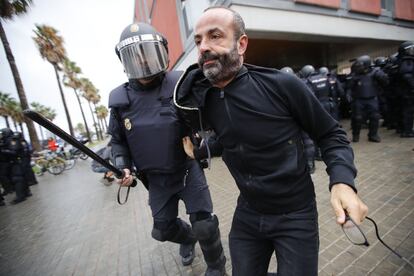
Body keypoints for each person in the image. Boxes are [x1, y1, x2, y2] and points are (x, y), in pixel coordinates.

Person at [174, 7, 368, 276]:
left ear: (241, 44)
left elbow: (330, 134)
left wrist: (343, 182)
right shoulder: (204, 100)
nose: (204, 47)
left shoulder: (282, 85)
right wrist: (198, 151)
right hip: (248, 216)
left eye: (215, 36)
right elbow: (229, 141)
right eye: (198, 41)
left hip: (296, 215)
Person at [107, 23, 226, 275]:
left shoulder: (180, 83)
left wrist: (204, 141)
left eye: (147, 53)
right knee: (162, 230)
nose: (143, 62)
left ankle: (216, 266)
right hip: (156, 179)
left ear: (161, 53)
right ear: (124, 60)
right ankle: (187, 239)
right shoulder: (120, 101)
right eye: (135, 56)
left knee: (204, 224)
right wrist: (122, 166)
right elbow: (117, 141)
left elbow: (210, 115)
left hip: (187, 169)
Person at [346, 55, 389, 142]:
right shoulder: (355, 75)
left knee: (375, 117)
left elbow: (386, 82)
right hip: (358, 99)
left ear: (366, 65)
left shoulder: (375, 72)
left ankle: (373, 135)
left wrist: (381, 75)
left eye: (360, 65)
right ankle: (356, 135)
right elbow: (349, 87)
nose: (358, 67)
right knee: (357, 118)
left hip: (372, 99)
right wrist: (348, 94)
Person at [396, 41, 414, 137]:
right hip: (407, 92)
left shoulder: (404, 60)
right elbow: (407, 76)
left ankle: (404, 129)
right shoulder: (406, 61)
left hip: (405, 91)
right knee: (408, 112)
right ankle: (407, 131)